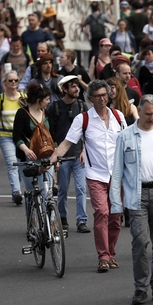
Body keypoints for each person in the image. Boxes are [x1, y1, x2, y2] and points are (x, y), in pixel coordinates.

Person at [49, 80, 127, 272]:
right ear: (90, 99)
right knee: (102, 212)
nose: (102, 99)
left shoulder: (118, 116)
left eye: (104, 95)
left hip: (117, 176)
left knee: (116, 217)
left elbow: (129, 143)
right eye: (97, 96)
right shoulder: (83, 119)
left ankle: (111, 252)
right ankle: (103, 256)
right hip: (95, 174)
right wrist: (53, 159)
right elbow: (67, 143)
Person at [110, 95, 153, 305]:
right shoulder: (125, 136)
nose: (152, 118)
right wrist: (116, 204)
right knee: (140, 241)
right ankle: (140, 288)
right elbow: (117, 173)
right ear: (139, 110)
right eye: (148, 113)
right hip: (136, 195)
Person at [46, 76, 90, 233]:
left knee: (81, 188)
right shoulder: (54, 107)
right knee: (63, 190)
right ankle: (63, 218)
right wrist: (55, 155)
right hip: (63, 157)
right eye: (73, 86)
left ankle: (81, 220)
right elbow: (50, 134)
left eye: (77, 86)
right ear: (64, 89)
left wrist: (84, 150)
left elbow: (87, 132)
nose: (77, 89)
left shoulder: (82, 106)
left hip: (79, 155)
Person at [0, 70, 25, 205]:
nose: (13, 83)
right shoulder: (0, 99)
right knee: (12, 164)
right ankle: (16, 191)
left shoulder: (23, 98)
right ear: (4, 83)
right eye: (10, 80)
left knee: (21, 165)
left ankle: (17, 188)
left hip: (21, 137)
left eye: (15, 80)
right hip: (6, 136)